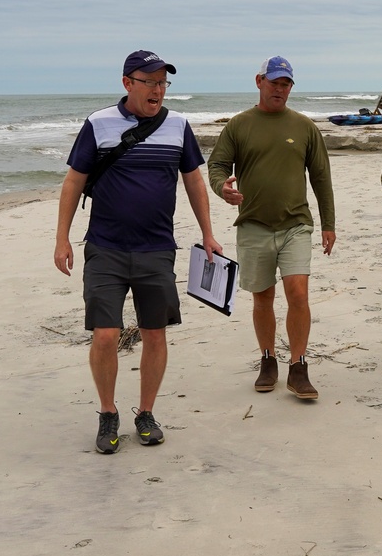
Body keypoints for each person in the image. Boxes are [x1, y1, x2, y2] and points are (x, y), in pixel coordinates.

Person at [54, 50, 223, 454]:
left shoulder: (178, 125)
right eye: (150, 81)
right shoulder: (98, 124)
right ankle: (108, 413)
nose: (158, 89)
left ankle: (145, 413)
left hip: (156, 248)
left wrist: (208, 232)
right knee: (106, 335)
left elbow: (194, 182)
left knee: (154, 333)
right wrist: (62, 238)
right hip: (106, 248)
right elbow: (74, 182)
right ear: (128, 83)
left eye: (164, 82)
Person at [208, 56, 336, 401]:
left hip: (296, 224)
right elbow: (217, 164)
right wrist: (223, 188)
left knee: (297, 292)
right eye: (275, 82)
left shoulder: (304, 127)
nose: (280, 89)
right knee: (263, 296)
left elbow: (321, 177)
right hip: (253, 225)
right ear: (259, 81)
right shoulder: (238, 125)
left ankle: (299, 367)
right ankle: (268, 360)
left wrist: (329, 224)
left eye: (286, 84)